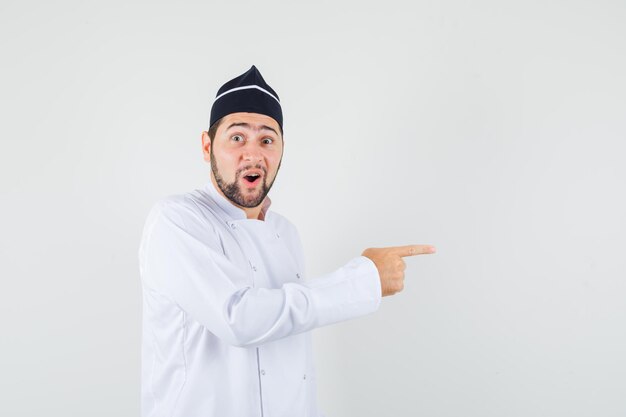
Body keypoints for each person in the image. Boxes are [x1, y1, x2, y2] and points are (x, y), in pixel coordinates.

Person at [138, 65, 436, 417]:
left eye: (267, 139)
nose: (253, 154)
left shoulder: (286, 232)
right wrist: (365, 278)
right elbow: (240, 319)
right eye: (237, 138)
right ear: (207, 146)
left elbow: (293, 352)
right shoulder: (177, 219)